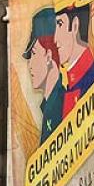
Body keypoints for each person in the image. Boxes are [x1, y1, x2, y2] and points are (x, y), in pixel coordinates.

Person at [51, 0, 94, 115]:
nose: (55, 39)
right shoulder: (69, 83)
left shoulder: (92, 82)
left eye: (60, 24)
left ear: (74, 25)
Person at [23, 7, 66, 142]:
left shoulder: (58, 105)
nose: (29, 65)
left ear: (48, 56)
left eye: (33, 54)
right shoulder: (50, 104)